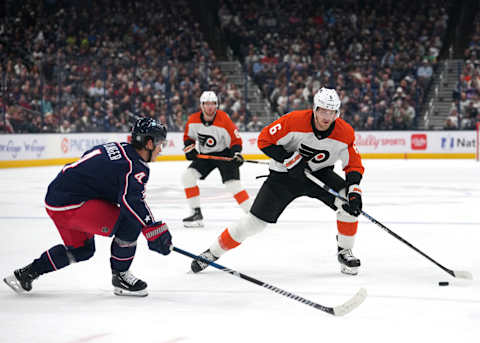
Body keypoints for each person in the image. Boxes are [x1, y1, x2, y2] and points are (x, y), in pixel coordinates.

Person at [190, 87, 365, 275]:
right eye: (323, 110)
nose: (326, 117)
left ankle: (345, 252)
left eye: (331, 112)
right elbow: (264, 140)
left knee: (347, 201)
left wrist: (355, 192)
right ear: (315, 109)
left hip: (319, 175)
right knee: (254, 223)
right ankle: (212, 253)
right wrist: (288, 159)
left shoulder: (345, 132)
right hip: (283, 176)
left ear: (337, 113)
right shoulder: (294, 120)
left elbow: (354, 165)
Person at [3, 118, 172, 297]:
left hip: (56, 198)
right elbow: (132, 202)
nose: (161, 150)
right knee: (130, 223)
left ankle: (26, 274)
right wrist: (153, 228)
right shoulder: (134, 166)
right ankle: (121, 276)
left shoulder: (117, 147)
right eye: (160, 143)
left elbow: (92, 162)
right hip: (71, 205)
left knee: (82, 250)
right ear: (149, 142)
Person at [181, 91, 253, 227]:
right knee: (187, 177)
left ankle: (253, 214)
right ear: (201, 105)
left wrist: (236, 154)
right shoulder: (193, 120)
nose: (210, 107)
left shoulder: (224, 119)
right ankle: (196, 214)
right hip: (205, 155)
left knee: (233, 185)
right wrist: (189, 149)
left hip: (224, 154)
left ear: (217, 105)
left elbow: (235, 139)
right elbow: (188, 138)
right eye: (206, 104)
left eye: (213, 104)